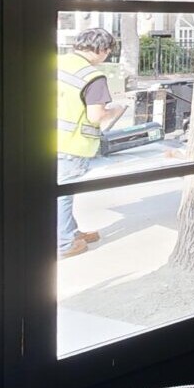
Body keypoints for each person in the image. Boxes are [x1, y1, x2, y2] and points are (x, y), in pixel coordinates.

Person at [57, 28, 125, 258]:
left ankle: (70, 232)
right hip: (70, 143)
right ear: (102, 50)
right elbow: (96, 116)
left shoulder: (57, 62)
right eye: (107, 52)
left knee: (55, 191)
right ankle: (64, 243)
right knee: (62, 194)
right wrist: (114, 109)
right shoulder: (93, 77)